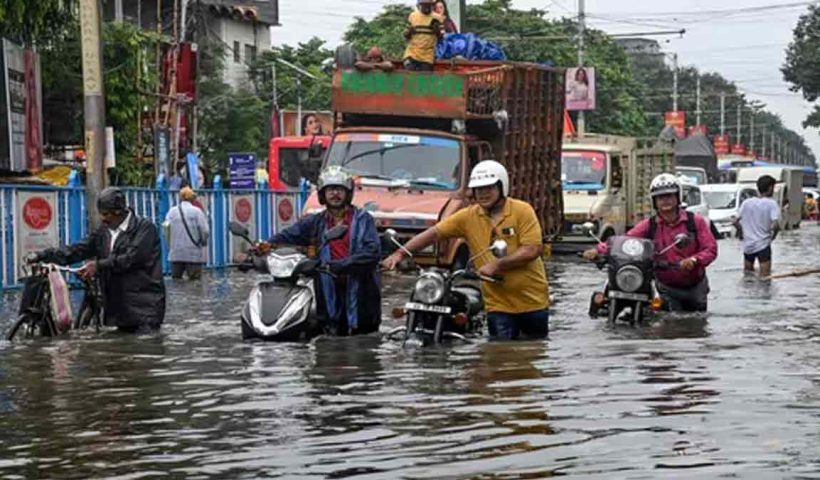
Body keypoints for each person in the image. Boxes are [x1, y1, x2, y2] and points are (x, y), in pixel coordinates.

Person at [382, 160, 550, 340]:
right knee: (501, 357)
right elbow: (434, 233)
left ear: (502, 187)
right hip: (498, 305)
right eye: (479, 189)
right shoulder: (468, 216)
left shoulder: (522, 211)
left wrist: (497, 265)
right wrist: (401, 253)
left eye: (489, 188)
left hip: (532, 301)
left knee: (533, 352)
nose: (483, 193)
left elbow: (532, 249)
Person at [257, 167, 382, 336]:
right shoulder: (315, 222)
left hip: (361, 293)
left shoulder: (363, 220)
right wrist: (264, 246)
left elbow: (372, 253)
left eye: (339, 189)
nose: (335, 194)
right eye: (330, 190)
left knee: (362, 340)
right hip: (328, 290)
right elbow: (288, 236)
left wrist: (339, 266)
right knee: (328, 337)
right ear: (323, 195)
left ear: (348, 193)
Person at [27, 187, 166, 332]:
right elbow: (77, 250)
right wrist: (44, 255)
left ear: (118, 212)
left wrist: (98, 266)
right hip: (117, 309)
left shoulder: (145, 229)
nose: (102, 218)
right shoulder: (104, 232)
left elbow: (130, 259)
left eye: (106, 214)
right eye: (101, 214)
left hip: (144, 309)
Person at [583, 173, 718, 312]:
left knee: (696, 325)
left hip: (694, 286)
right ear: (654, 201)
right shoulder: (649, 225)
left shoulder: (695, 222)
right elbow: (625, 240)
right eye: (660, 197)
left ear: (677, 197)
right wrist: (598, 250)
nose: (665, 200)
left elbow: (711, 249)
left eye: (669, 196)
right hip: (664, 286)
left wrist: (694, 260)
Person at [733, 175, 780, 278]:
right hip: (763, 245)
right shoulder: (771, 204)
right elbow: (776, 225)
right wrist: (773, 236)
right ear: (770, 188)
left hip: (748, 246)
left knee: (748, 276)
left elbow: (735, 221)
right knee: (765, 278)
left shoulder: (746, 203)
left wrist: (741, 233)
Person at [164, 187, 210, 280]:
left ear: (180, 197)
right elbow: (205, 230)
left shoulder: (171, 212)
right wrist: (203, 242)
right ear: (192, 198)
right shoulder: (197, 212)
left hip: (176, 254)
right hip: (193, 253)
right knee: (195, 284)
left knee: (176, 283)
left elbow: (166, 228)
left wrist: (171, 245)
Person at [403, 0, 444, 71]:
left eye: (429, 5)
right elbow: (406, 36)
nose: (427, 7)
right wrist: (409, 32)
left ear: (432, 5)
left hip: (427, 55)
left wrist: (437, 31)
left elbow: (441, 38)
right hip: (412, 53)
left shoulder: (437, 18)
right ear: (420, 5)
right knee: (409, 73)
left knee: (424, 77)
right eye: (424, 5)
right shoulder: (413, 16)